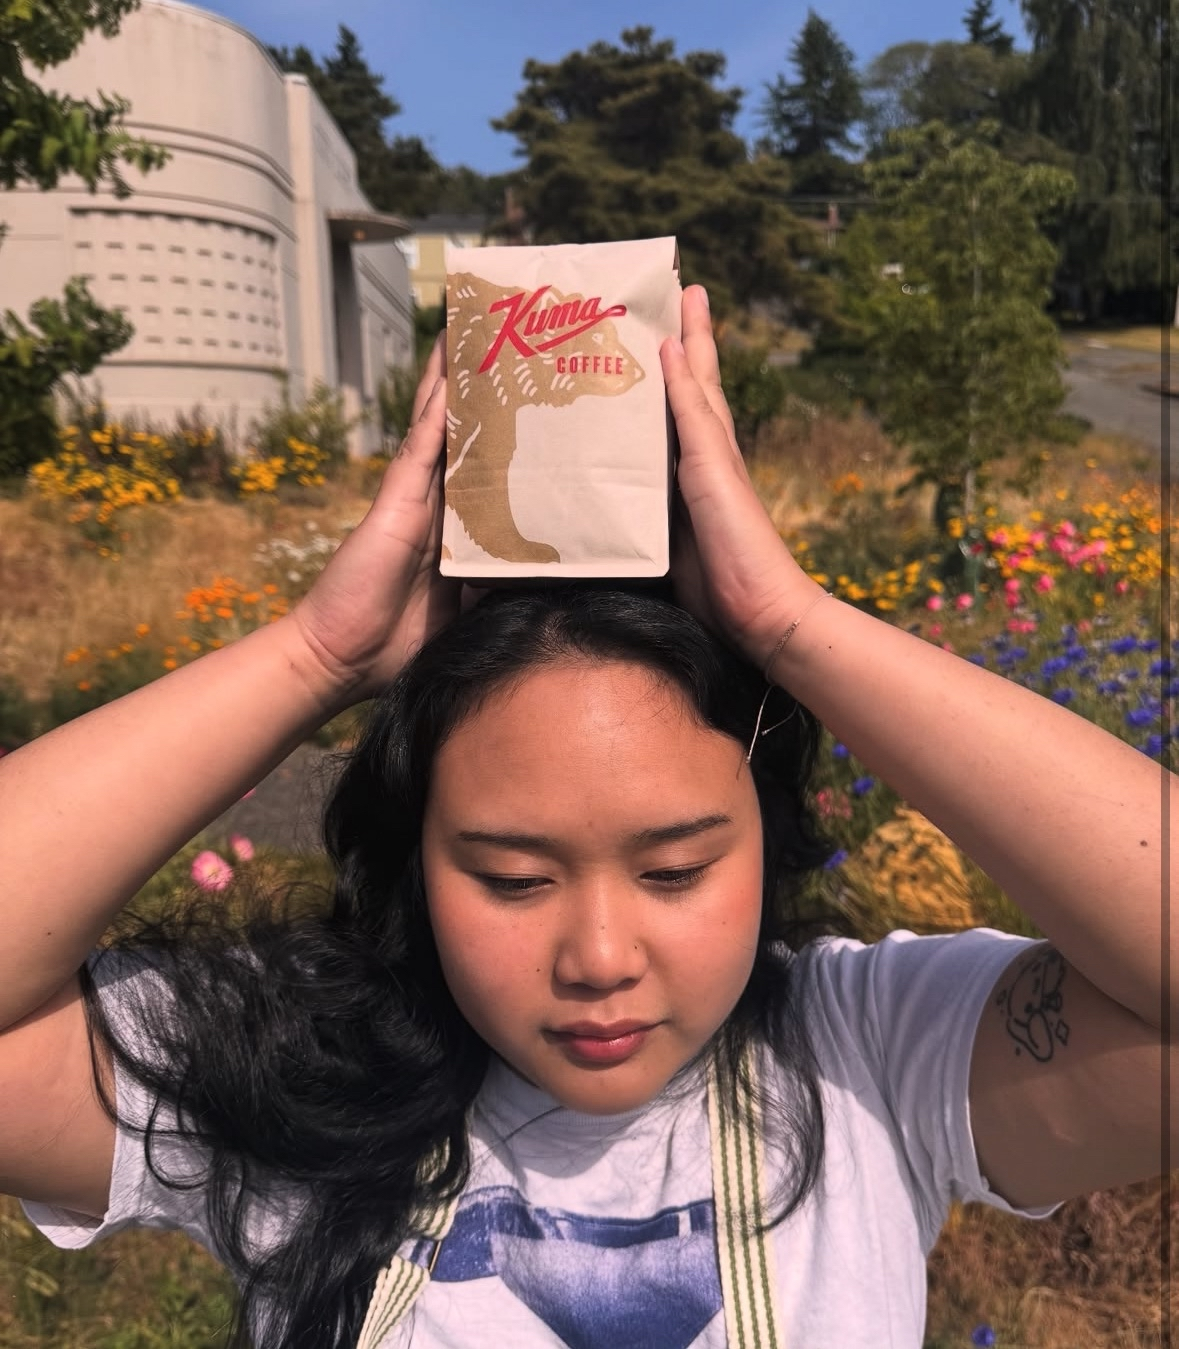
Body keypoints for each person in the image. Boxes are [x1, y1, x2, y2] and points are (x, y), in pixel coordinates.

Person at [0, 286, 1172, 1349]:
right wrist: (318, 652)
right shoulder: (289, 1080)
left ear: (765, 835)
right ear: (415, 852)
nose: (600, 958)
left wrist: (792, 624)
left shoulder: (872, 1062)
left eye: (674, 870)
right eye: (512, 877)